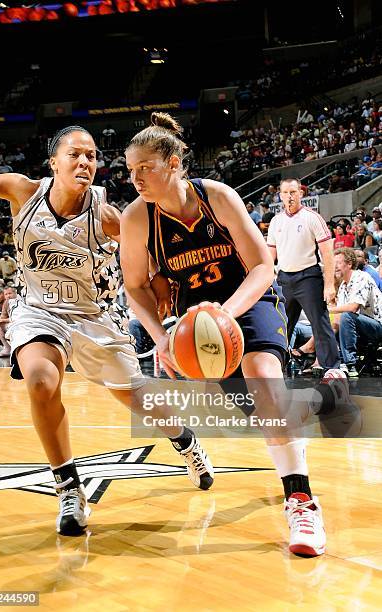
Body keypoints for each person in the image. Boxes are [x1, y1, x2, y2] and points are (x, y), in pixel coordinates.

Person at [0, 125, 214, 536]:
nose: (85, 162)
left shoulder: (106, 214)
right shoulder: (22, 192)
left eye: (91, 156)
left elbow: (145, 250)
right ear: (54, 162)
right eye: (75, 154)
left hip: (94, 319)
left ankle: (185, 440)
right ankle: (69, 487)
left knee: (139, 400)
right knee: (40, 380)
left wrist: (160, 281)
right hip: (39, 311)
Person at [120, 112, 329, 557]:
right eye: (129, 169)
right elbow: (135, 286)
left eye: (145, 168)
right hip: (193, 324)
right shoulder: (137, 218)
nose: (135, 177)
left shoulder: (217, 196)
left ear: (174, 163)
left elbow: (262, 266)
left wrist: (226, 315)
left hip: (246, 302)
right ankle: (293, 429)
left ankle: (301, 501)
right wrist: (160, 337)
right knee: (259, 410)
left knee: (263, 377)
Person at [267, 178, 340, 372]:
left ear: (301, 193)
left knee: (320, 324)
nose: (289, 196)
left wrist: (329, 284)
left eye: (293, 192)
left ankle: (332, 369)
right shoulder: (275, 221)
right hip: (283, 279)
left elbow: (327, 253)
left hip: (309, 277)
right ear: (280, 196)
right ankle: (276, 368)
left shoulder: (312, 217)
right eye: (285, 193)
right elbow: (269, 256)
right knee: (279, 326)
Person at [331, 248, 382, 377]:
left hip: (378, 326)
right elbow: (338, 316)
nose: (335, 267)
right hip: (363, 325)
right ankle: (332, 361)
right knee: (337, 321)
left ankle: (349, 364)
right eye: (333, 263)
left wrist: (327, 309)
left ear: (349, 264)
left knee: (347, 316)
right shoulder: (343, 286)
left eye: (338, 263)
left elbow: (353, 307)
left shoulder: (361, 277)